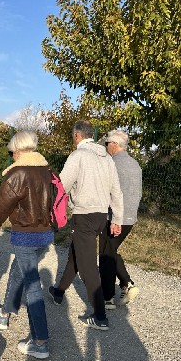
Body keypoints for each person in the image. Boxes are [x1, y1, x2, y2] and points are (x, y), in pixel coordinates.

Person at [0, 131, 53, 359]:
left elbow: (0, 208)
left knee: (32, 286)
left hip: (25, 235)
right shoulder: (47, 171)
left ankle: (40, 342)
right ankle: (4, 313)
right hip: (45, 234)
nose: (11, 155)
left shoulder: (17, 173)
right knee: (18, 271)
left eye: (11, 151)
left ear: (18, 150)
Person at [48, 120, 123, 331]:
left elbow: (62, 186)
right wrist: (117, 218)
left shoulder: (78, 156)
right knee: (77, 254)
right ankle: (59, 292)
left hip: (84, 214)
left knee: (88, 266)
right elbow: (116, 191)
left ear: (77, 136)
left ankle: (99, 316)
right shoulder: (106, 158)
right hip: (101, 215)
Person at [99, 130, 142, 308]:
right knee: (111, 251)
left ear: (115, 144)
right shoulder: (135, 164)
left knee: (105, 256)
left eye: (107, 143)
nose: (106, 146)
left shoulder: (112, 163)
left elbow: (106, 192)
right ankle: (126, 283)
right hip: (130, 218)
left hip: (114, 217)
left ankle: (108, 297)